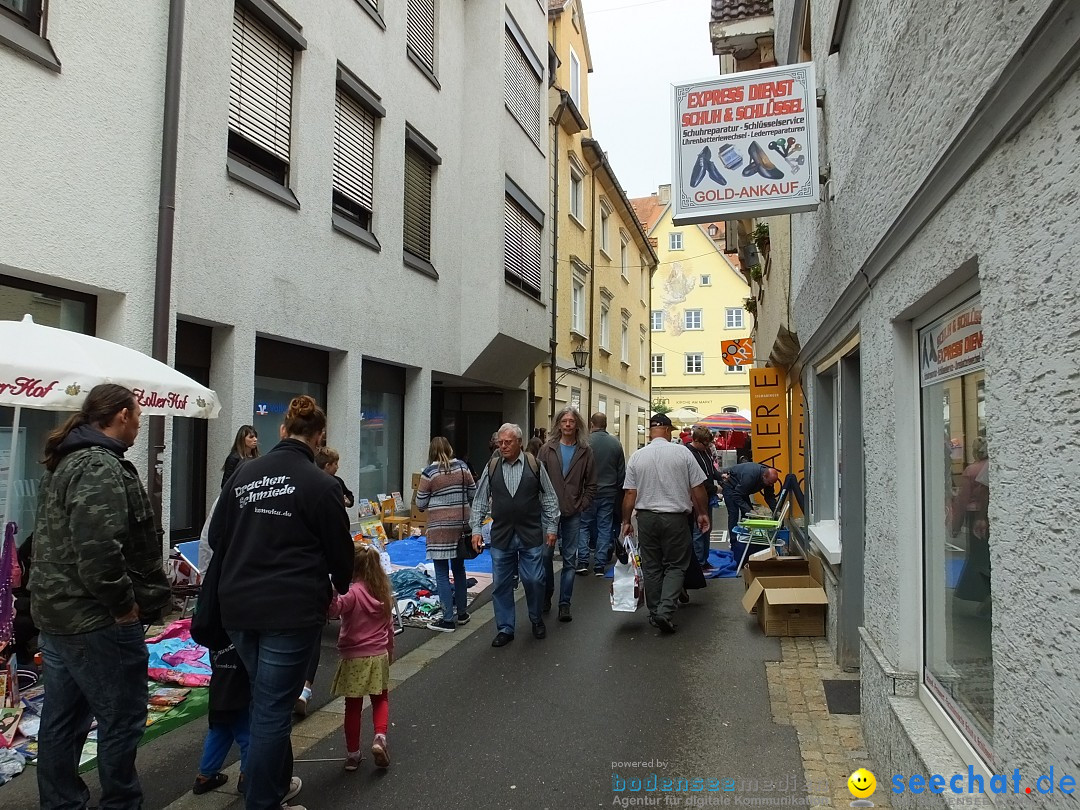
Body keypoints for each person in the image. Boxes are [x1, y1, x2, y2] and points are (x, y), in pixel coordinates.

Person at [208, 395, 354, 810]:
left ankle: (273, 785)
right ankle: (262, 799)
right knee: (273, 708)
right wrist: (334, 583)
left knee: (263, 700)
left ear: (283, 430)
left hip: (237, 605)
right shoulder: (322, 485)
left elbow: (217, 537)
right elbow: (341, 558)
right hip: (289, 610)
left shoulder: (244, 474)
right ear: (319, 436)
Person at [31, 383, 171, 810]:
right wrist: (124, 605)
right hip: (96, 619)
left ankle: (61, 803)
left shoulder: (69, 459)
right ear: (122, 415)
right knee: (121, 719)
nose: (140, 423)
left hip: (60, 613)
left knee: (63, 720)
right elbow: (98, 551)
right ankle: (121, 803)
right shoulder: (98, 465)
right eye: (138, 415)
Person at [469, 423, 560, 647]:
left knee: (534, 579)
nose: (503, 446)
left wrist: (551, 528)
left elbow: (549, 498)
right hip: (502, 535)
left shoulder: (534, 465)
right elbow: (480, 500)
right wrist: (476, 529)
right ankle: (505, 628)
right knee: (501, 584)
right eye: (500, 442)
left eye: (507, 442)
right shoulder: (491, 467)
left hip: (530, 533)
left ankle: (536, 618)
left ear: (519, 442)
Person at [621, 413, 710, 634]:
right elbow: (697, 488)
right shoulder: (683, 453)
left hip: (646, 517)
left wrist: (625, 521)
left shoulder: (637, 456)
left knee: (651, 566)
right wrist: (703, 514)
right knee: (676, 565)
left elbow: (630, 492)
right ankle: (665, 610)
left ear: (651, 431)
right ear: (669, 431)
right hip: (675, 518)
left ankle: (654, 611)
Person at [329, 544, 395, 771]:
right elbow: (389, 628)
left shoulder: (353, 593)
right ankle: (379, 738)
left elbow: (334, 610)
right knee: (381, 699)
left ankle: (352, 754)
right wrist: (390, 651)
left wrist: (334, 589)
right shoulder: (383, 593)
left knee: (353, 706)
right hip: (378, 655)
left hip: (353, 657)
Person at [536, 408, 596, 622]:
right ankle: (547, 594)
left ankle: (565, 604)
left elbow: (591, 484)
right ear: (559, 425)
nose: (568, 424)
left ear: (577, 425)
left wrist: (582, 504)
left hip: (572, 512)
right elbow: (536, 479)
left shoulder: (585, 451)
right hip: (548, 513)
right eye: (564, 421)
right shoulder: (546, 449)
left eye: (572, 421)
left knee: (570, 560)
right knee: (545, 557)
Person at [415, 436, 477, 632]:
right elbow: (473, 493)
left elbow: (420, 503)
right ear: (450, 448)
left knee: (441, 572)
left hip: (439, 527)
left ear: (431, 452)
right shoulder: (462, 467)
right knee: (459, 569)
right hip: (461, 525)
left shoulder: (429, 473)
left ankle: (447, 619)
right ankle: (463, 613)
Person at [192, 642, 250, 796]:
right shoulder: (243, 630)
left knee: (219, 732)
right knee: (248, 736)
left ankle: (205, 776)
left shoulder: (215, 631)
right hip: (240, 691)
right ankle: (247, 777)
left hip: (219, 689)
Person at [579, 412, 625, 576]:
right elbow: (621, 473)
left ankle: (583, 561)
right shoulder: (615, 444)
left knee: (583, 526)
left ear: (591, 424)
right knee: (605, 527)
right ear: (606, 424)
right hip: (609, 492)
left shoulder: (584, 443)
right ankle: (600, 563)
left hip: (586, 492)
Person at [718, 460, 779, 545]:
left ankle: (744, 537)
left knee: (747, 514)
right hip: (729, 484)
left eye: (772, 484)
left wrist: (777, 511)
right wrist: (749, 510)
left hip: (741, 488)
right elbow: (736, 495)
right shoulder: (750, 476)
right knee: (734, 513)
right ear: (764, 476)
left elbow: (769, 497)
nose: (770, 485)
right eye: (769, 483)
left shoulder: (768, 479)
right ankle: (734, 542)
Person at [686, 425, 720, 571]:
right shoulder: (688, 454)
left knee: (707, 529)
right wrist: (715, 488)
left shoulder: (704, 450)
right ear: (697, 440)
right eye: (705, 443)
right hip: (696, 497)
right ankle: (699, 563)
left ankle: (703, 560)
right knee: (699, 530)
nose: (708, 446)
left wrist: (720, 477)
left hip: (707, 494)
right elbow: (697, 482)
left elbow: (711, 469)